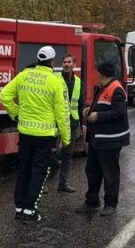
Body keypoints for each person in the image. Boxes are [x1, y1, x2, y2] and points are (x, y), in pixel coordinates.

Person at [0, 46, 71, 224]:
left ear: (38, 59)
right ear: (53, 61)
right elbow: (62, 112)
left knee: (23, 169)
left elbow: (4, 95)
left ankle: (19, 208)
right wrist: (66, 137)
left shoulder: (24, 75)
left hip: (25, 133)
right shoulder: (55, 81)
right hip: (45, 135)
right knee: (39, 172)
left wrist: (16, 114)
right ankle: (30, 210)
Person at [76, 62, 130, 217]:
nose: (96, 75)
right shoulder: (104, 87)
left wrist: (98, 116)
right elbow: (103, 105)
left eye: (97, 72)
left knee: (110, 173)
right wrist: (91, 110)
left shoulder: (116, 89)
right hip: (97, 138)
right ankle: (92, 201)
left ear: (101, 73)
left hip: (110, 139)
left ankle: (110, 203)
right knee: (92, 170)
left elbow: (119, 112)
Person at [55, 53, 84, 193]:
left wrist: (82, 123)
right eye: (64, 62)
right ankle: (43, 182)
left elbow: (80, 103)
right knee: (51, 152)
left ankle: (63, 183)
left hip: (72, 121)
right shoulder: (55, 79)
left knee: (68, 155)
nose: (66, 64)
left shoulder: (78, 81)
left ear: (74, 65)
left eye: (69, 62)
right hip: (55, 121)